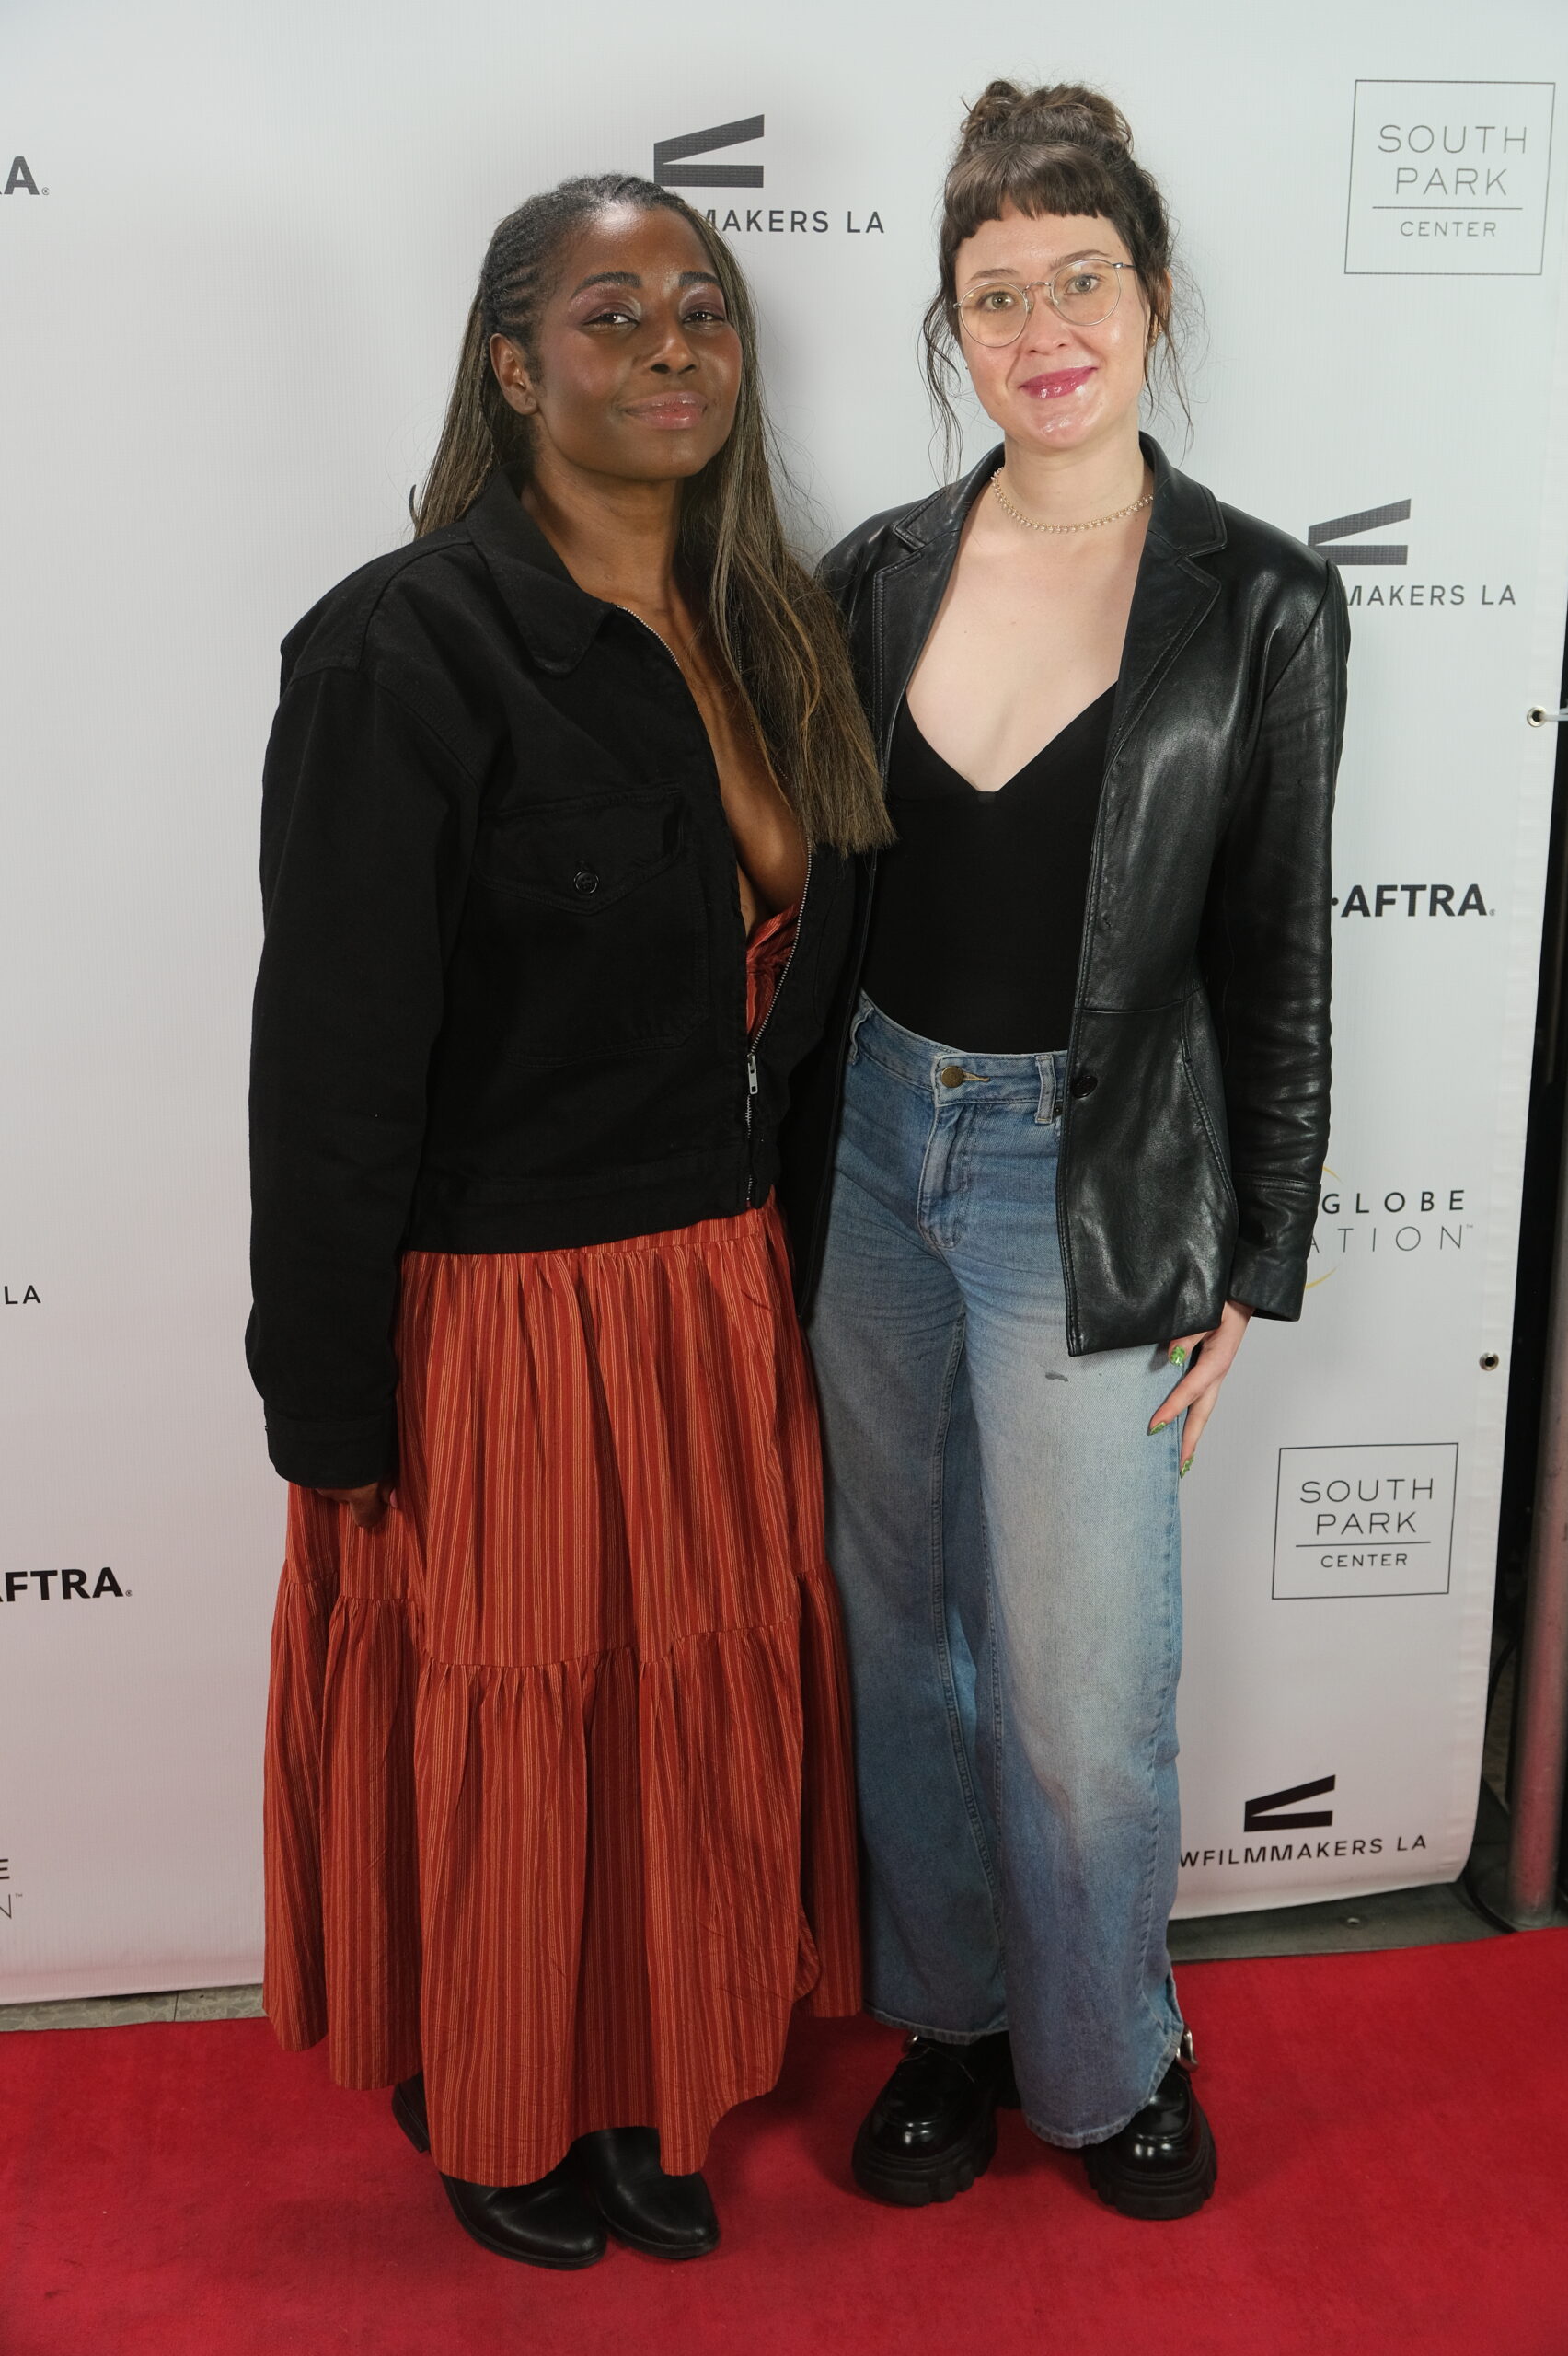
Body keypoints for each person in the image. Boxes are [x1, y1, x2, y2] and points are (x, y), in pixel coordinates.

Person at [248, 173, 889, 2269]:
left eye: (700, 306)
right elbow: (329, 1066)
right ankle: (494, 2091)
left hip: (712, 1285)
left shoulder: (773, 624)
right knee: (519, 1722)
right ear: (513, 371)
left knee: (675, 1712)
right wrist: (328, 1402)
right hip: (497, 1311)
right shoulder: (403, 647)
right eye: (610, 316)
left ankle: (637, 2078)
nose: (671, 344)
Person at [783, 81, 1348, 2220]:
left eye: (1076, 281)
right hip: (869, 1157)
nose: (1041, 330)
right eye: (995, 294)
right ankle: (950, 2015)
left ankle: (1107, 2054)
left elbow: (1276, 954)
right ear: (950, 326)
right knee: (901, 1631)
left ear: (1150, 294)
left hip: (1082, 1190)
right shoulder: (873, 574)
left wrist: (1253, 1255)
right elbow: (815, 918)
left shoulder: (1262, 601)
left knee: (1081, 1680)